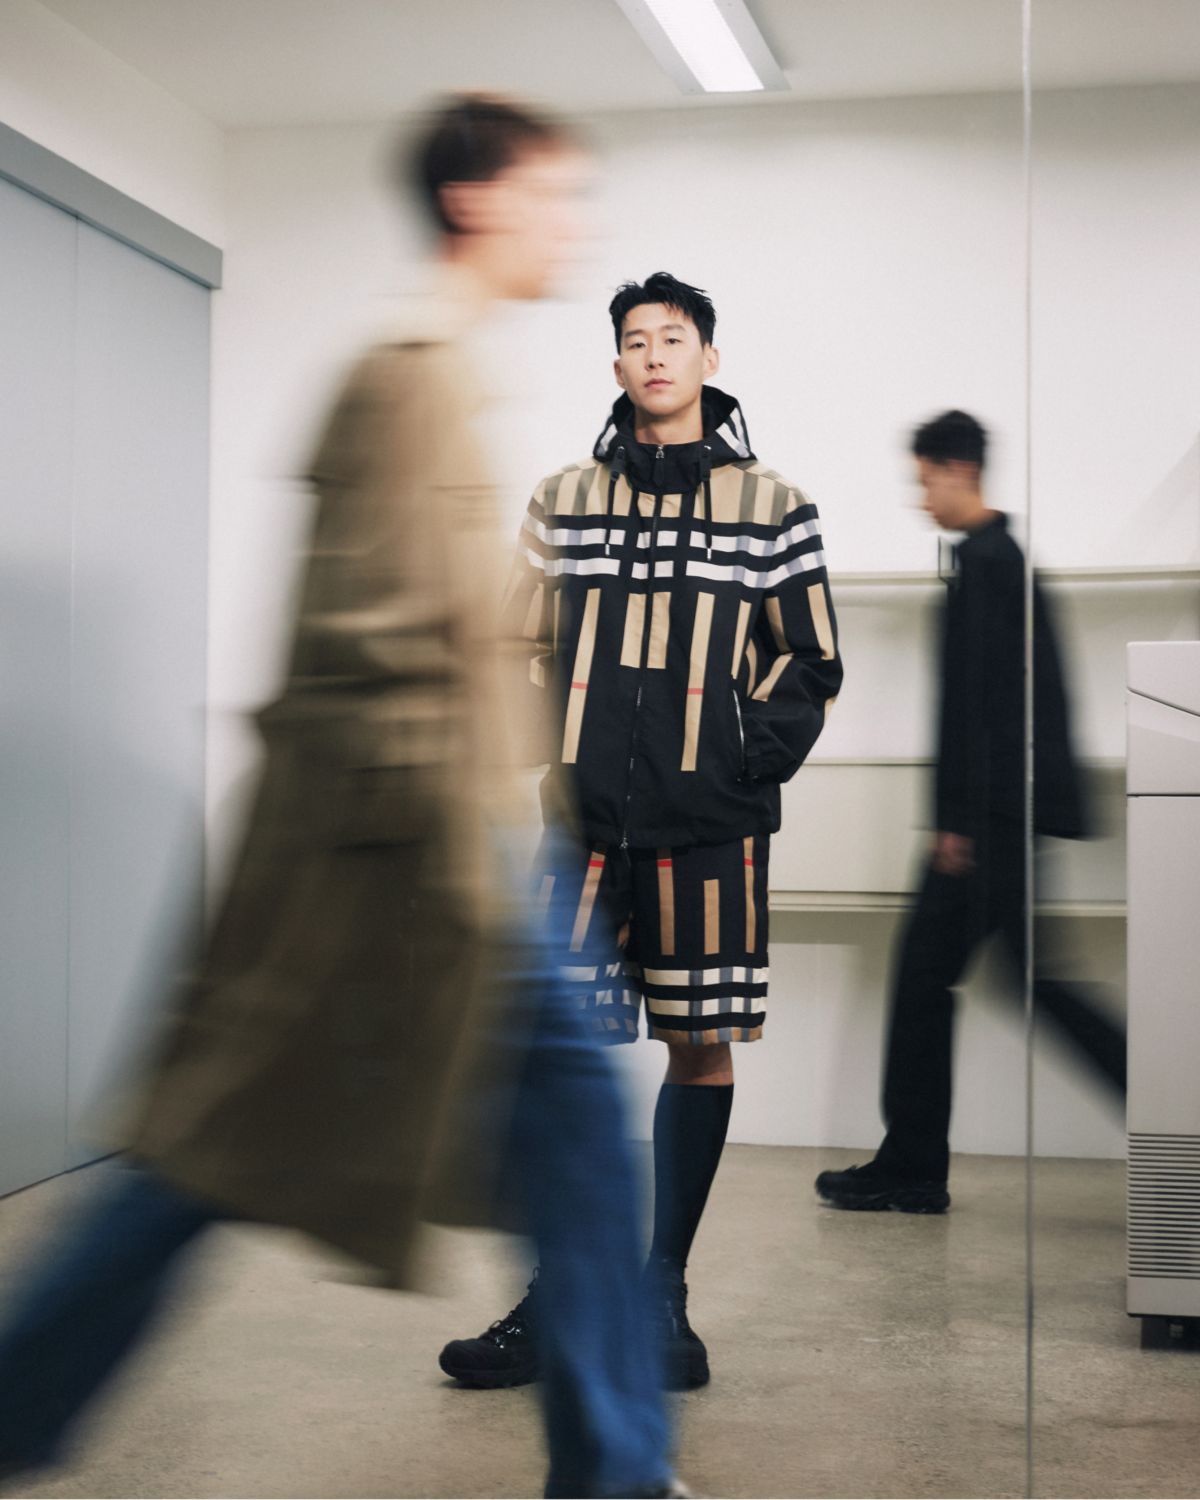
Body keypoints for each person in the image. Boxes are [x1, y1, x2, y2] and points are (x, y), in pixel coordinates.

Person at [0, 95, 679, 1500]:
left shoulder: (445, 373)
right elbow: (374, 659)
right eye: (555, 197)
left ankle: (614, 1470)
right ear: (478, 200)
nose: (574, 227)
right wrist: (476, 879)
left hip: (441, 860)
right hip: (407, 872)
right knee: (205, 1162)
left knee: (549, 1153)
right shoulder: (406, 375)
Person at [439, 271, 844, 1392]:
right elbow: (513, 647)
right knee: (546, 1053)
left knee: (698, 1043)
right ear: (615, 364)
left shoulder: (775, 505)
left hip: (710, 831)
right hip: (579, 830)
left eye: (674, 337)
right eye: (634, 339)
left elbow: (808, 659)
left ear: (710, 358)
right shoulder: (562, 498)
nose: (654, 354)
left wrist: (733, 759)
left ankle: (664, 1291)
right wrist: (553, 741)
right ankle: (561, 1293)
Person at [815, 409, 1126, 1214]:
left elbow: (987, 709)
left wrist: (957, 821)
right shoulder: (995, 559)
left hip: (986, 821)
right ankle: (917, 1162)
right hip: (1001, 815)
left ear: (959, 471)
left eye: (925, 481)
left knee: (935, 979)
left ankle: (914, 1165)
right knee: (1029, 983)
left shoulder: (989, 564)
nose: (921, 499)